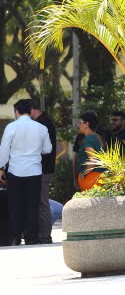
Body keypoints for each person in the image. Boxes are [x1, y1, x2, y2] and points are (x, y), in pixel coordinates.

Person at [0, 99, 52, 245]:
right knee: (32, 206)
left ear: (16, 112)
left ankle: (14, 237)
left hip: (15, 171)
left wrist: (1, 168)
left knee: (15, 206)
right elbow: (47, 149)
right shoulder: (41, 128)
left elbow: (4, 150)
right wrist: (35, 151)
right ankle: (31, 237)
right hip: (34, 171)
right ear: (30, 111)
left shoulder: (11, 127)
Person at [28, 100, 56, 244]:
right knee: (41, 202)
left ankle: (44, 236)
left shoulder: (42, 123)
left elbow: (44, 149)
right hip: (44, 168)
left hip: (43, 169)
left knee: (42, 203)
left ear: (33, 110)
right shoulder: (45, 121)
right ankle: (43, 234)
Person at [75, 111, 105, 192]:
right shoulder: (98, 137)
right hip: (101, 177)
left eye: (80, 122)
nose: (78, 125)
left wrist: (84, 173)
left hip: (91, 179)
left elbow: (93, 160)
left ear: (86, 124)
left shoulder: (88, 139)